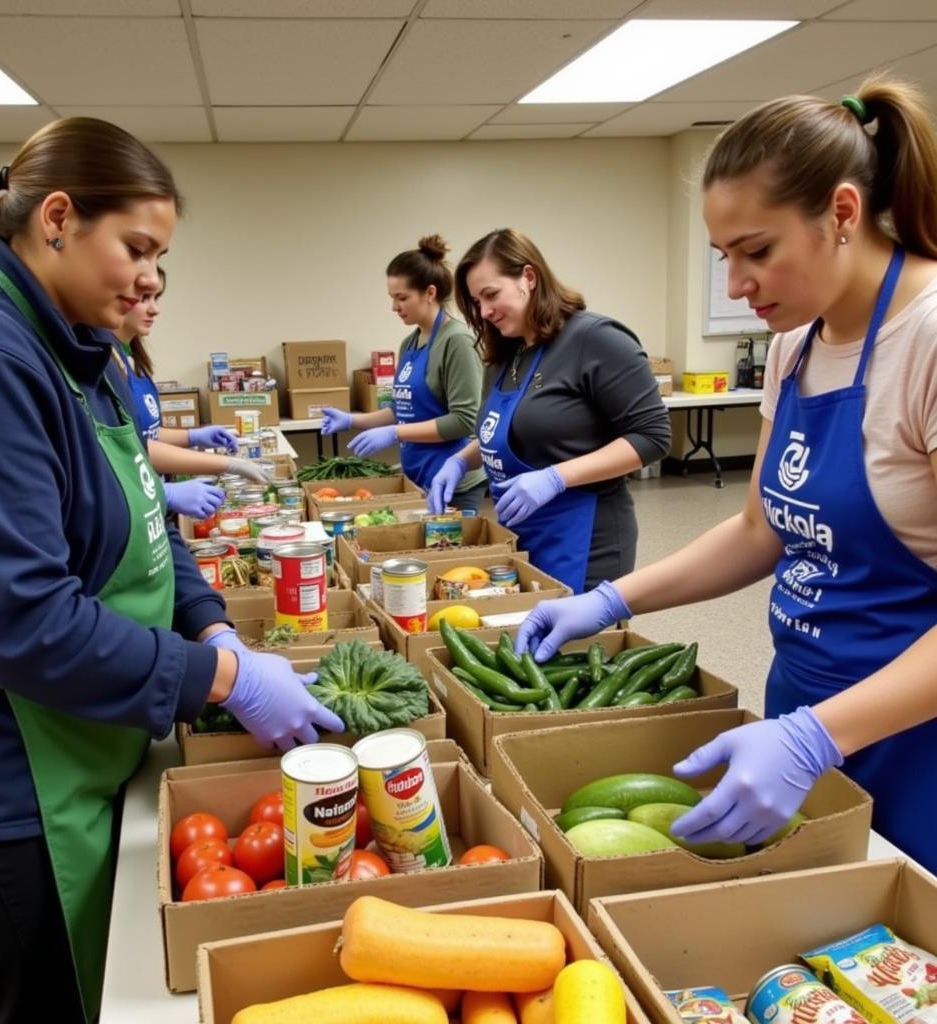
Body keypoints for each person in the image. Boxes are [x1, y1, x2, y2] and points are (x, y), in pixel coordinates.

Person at [0, 117, 343, 1024]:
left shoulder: (81, 342)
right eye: (137, 248)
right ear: (58, 218)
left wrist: (212, 624)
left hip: (81, 733)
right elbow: (21, 619)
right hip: (1, 778)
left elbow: (149, 520)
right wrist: (223, 677)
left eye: (161, 255)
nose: (151, 276)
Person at [515, 78, 937, 873]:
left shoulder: (927, 340)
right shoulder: (796, 349)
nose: (737, 284)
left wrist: (819, 736)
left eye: (758, 251)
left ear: (842, 213)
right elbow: (759, 531)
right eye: (724, 257)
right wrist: (609, 601)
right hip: (802, 706)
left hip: (914, 737)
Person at [428, 229, 670, 595]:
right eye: (477, 302)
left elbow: (653, 436)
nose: (484, 311)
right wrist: (462, 460)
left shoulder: (595, 339)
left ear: (529, 277)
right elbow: (512, 432)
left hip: (585, 537)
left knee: (575, 648)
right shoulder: (506, 353)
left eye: (491, 295)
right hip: (523, 533)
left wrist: (555, 477)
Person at [319, 234, 488, 512]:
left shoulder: (456, 341)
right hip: (418, 476)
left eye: (402, 298)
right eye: (391, 298)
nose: (394, 307)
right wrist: (352, 420)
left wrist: (395, 434)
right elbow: (404, 409)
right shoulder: (409, 343)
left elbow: (464, 420)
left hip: (453, 484)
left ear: (430, 293)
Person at [106, 268, 269, 519]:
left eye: (156, 298)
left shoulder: (131, 358)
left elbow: (146, 432)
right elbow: (131, 447)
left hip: (152, 500)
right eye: (144, 298)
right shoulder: (106, 365)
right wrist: (227, 464)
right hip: (135, 501)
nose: (154, 309)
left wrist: (193, 436)